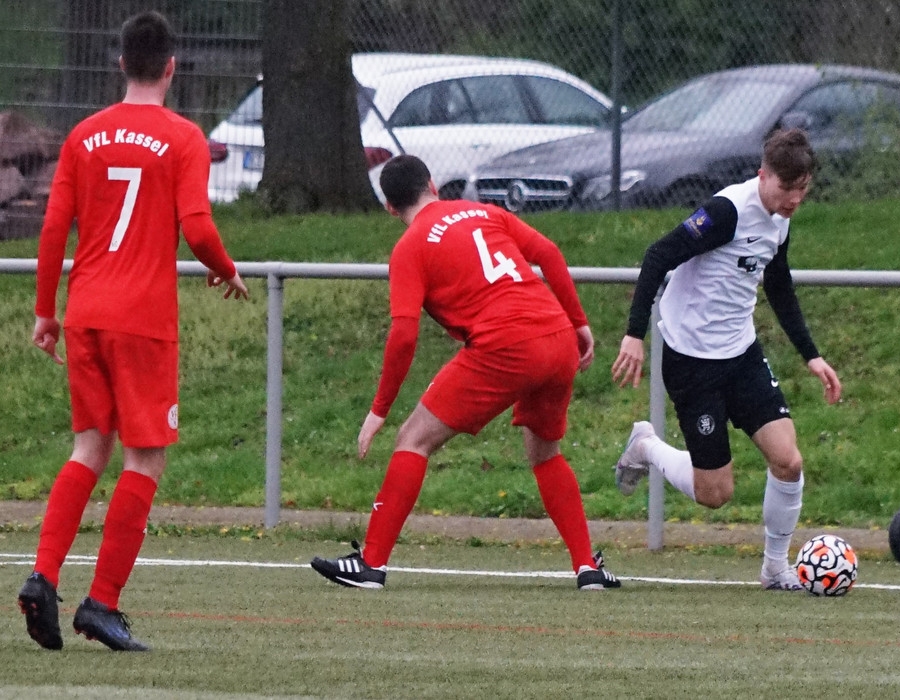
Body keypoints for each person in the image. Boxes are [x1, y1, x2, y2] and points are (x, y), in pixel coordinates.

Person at [17, 10, 248, 652]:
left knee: (88, 449)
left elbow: (53, 227)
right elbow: (197, 227)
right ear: (172, 67)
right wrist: (226, 269)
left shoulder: (84, 134)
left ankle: (42, 575)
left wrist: (46, 311)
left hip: (86, 312)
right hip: (143, 319)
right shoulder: (183, 137)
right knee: (144, 457)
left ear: (120, 63)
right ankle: (102, 603)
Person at [311, 154, 620, 591]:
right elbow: (549, 254)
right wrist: (579, 322)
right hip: (556, 335)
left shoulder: (411, 246)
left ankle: (371, 565)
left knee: (412, 439)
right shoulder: (485, 212)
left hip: (505, 344)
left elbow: (403, 335)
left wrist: (380, 409)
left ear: (390, 208)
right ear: (433, 185)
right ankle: (587, 566)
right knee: (545, 453)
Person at [610, 128, 841, 591]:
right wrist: (634, 334)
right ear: (763, 175)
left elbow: (779, 284)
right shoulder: (726, 212)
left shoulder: (781, 218)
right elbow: (657, 256)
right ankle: (646, 446)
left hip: (741, 354)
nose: (795, 198)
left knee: (789, 461)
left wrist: (811, 356)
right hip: (692, 360)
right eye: (787, 187)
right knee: (715, 493)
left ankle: (774, 569)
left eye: (803, 188)